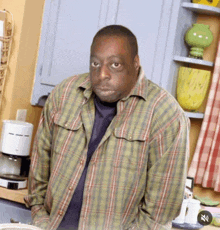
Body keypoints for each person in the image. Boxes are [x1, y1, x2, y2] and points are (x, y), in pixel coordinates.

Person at [24, 25, 190, 230]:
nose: (102, 74)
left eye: (115, 65)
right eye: (95, 63)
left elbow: (158, 215)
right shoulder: (64, 95)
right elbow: (38, 180)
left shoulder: (166, 116)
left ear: (135, 63)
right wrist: (43, 223)